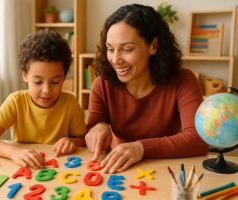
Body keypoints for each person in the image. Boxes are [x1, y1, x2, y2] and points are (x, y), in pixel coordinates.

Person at [85, 4, 208, 174]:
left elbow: (197, 141)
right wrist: (98, 127)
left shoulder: (183, 80)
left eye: (127, 49)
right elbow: (92, 131)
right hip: (119, 172)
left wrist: (141, 148)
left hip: (167, 171)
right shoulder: (101, 84)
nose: (115, 59)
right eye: (110, 48)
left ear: (153, 46)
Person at [0, 29, 87, 169]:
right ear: (25, 75)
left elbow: (83, 141)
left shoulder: (70, 104)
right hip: (24, 169)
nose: (46, 90)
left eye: (55, 82)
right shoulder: (16, 101)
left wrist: (71, 141)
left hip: (60, 170)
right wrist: (13, 152)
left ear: (64, 77)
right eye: (38, 82)